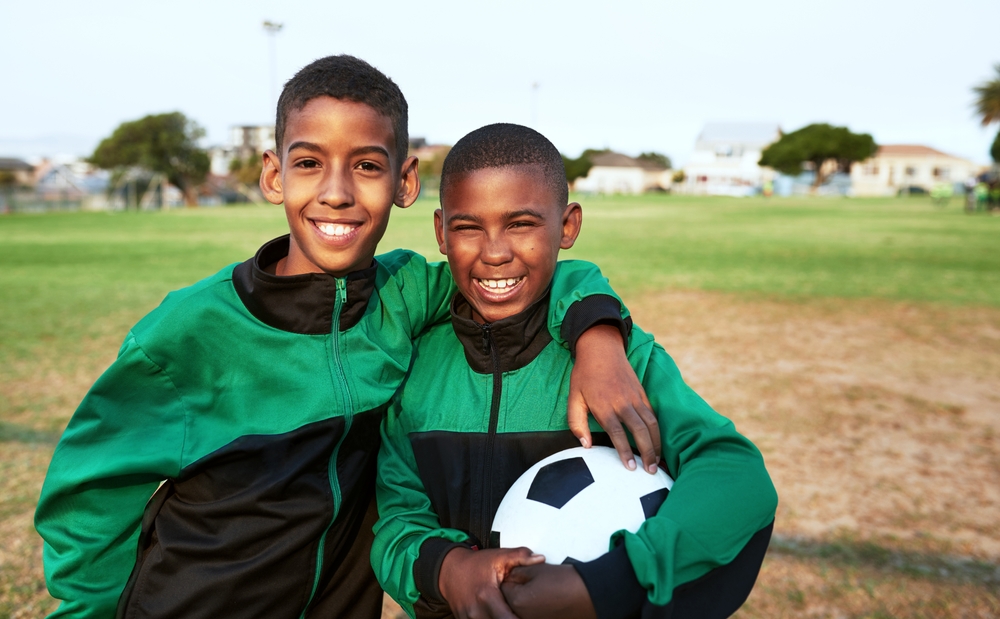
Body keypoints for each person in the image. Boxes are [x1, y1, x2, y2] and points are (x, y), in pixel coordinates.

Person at [34, 57, 660, 619]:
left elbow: (537, 271)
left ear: (405, 182)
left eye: (366, 166)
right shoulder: (190, 332)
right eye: (309, 163)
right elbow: (87, 493)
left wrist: (598, 339)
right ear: (274, 175)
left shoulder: (406, 293)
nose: (336, 193)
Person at [372, 123, 778, 619]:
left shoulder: (620, 362)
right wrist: (449, 570)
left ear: (567, 226)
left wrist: (608, 583)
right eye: (468, 227)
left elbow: (735, 475)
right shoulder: (417, 367)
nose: (495, 252)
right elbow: (397, 521)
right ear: (440, 232)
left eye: (521, 224)